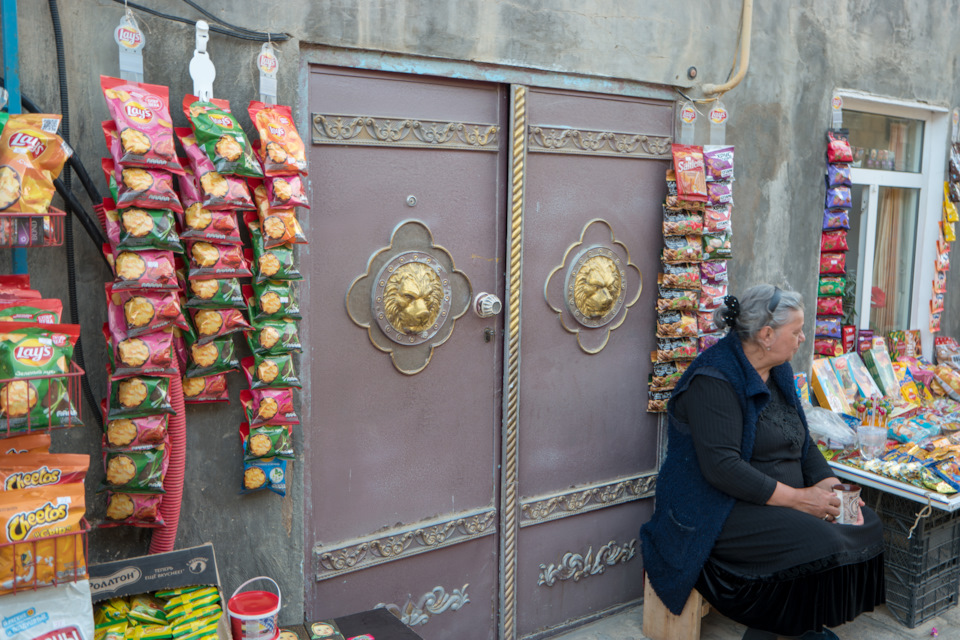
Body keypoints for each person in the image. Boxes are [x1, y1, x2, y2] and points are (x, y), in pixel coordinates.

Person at [640, 285, 885, 640]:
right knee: (821, 542)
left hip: (775, 499)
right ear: (767, 335)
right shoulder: (714, 379)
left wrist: (830, 485)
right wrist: (803, 500)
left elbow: (802, 442)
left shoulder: (779, 371)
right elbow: (724, 469)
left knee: (865, 523)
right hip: (717, 511)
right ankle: (775, 633)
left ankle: (800, 628)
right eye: (797, 331)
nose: (803, 338)